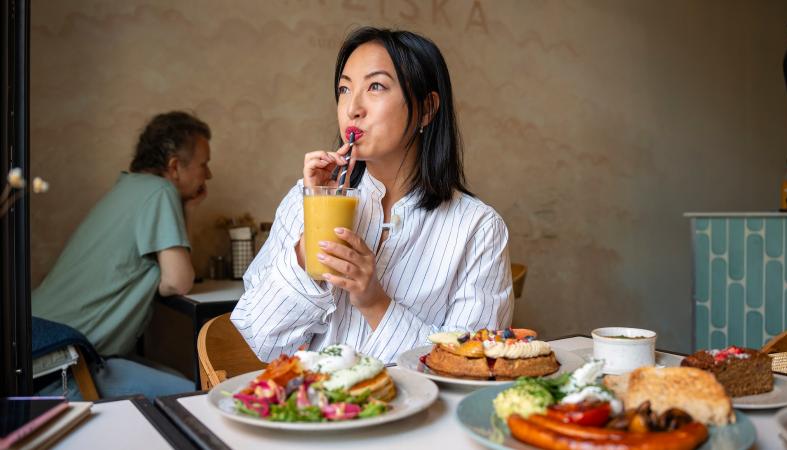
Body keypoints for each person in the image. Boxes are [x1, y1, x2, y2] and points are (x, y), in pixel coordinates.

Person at [231, 27, 513, 364]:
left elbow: (470, 366)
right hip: (310, 412)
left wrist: (374, 302)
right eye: (344, 88)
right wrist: (309, 245)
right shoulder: (305, 200)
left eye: (375, 86)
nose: (352, 108)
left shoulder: (478, 228)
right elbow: (259, 342)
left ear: (426, 108)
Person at [32, 110, 211, 399]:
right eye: (204, 164)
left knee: (182, 382)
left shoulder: (130, 187)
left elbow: (171, 277)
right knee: (199, 397)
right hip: (62, 364)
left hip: (39, 343)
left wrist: (187, 209)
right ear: (175, 166)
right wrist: (166, 280)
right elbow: (178, 281)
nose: (209, 175)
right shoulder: (159, 191)